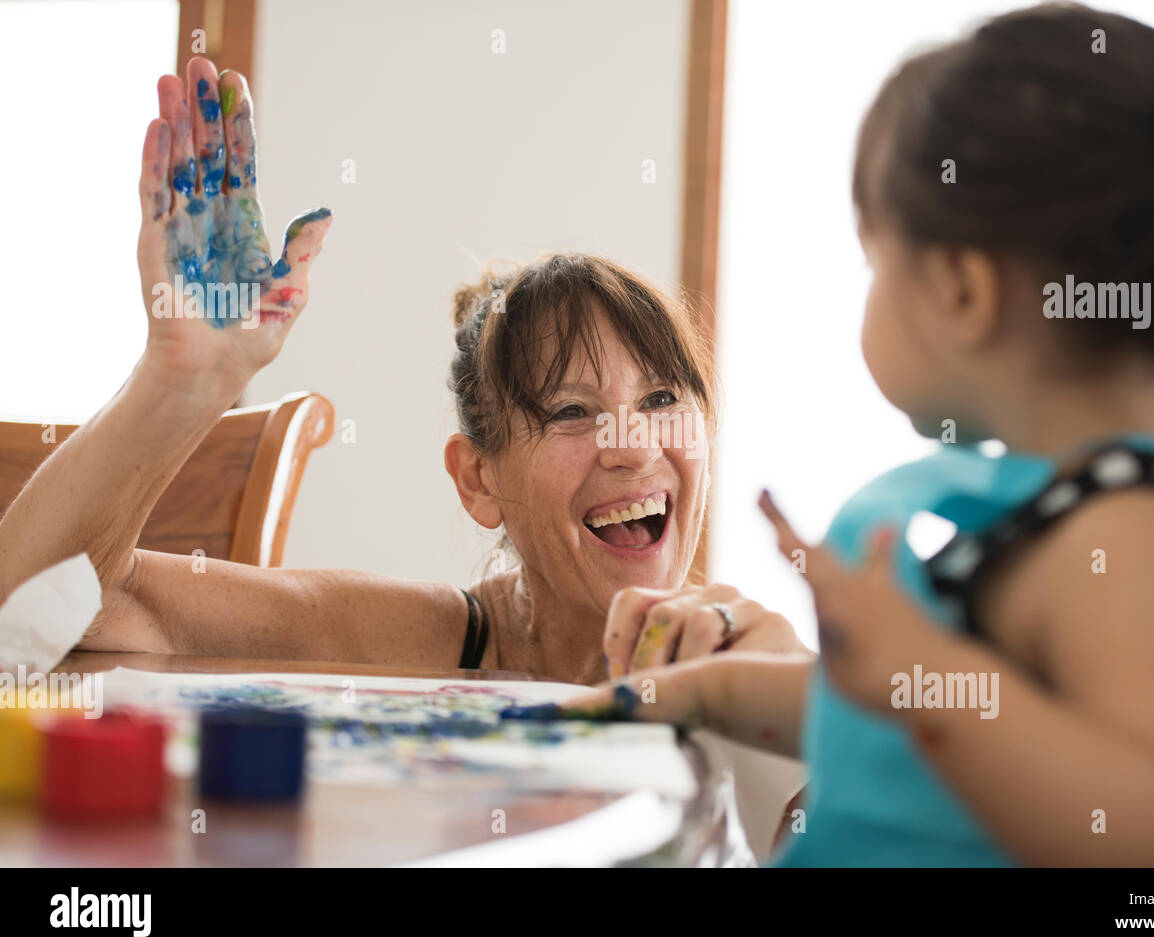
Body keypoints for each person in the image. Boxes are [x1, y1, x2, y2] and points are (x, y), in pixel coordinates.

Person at [566, 3, 1154, 866]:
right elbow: (890, 726)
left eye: (875, 260)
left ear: (961, 290)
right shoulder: (1047, 506)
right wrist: (698, 691)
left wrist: (916, 664)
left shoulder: (1132, 532)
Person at [0, 57, 807, 686]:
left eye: (662, 397)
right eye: (571, 411)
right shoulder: (409, 643)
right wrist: (177, 386)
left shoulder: (739, 661)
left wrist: (804, 707)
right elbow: (37, 612)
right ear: (478, 481)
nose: (633, 446)